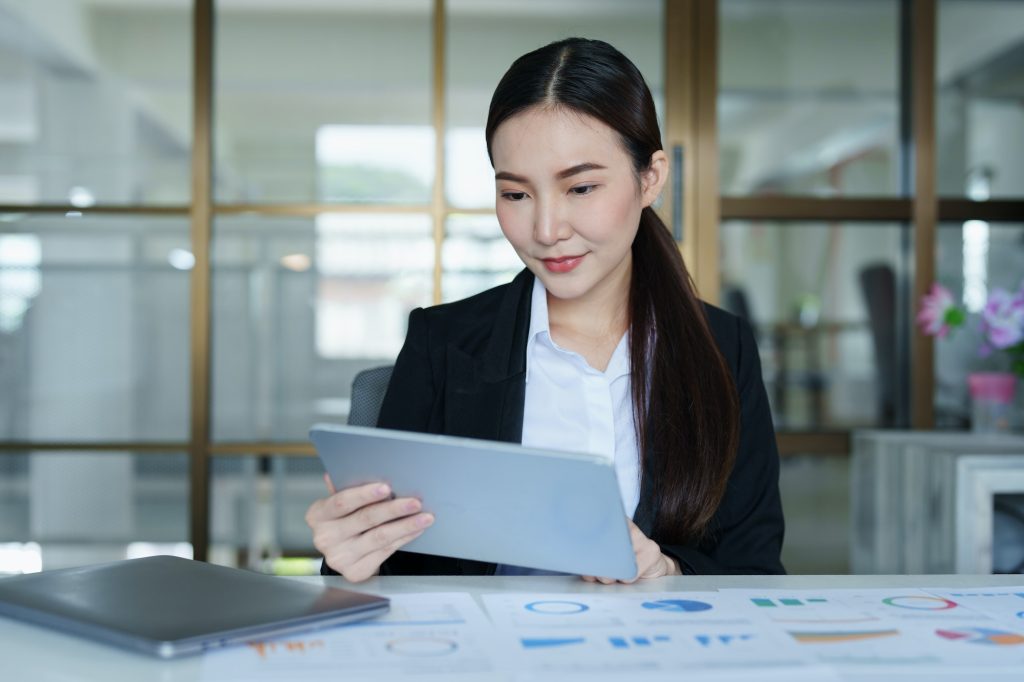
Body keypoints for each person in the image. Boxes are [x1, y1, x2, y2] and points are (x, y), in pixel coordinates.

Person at [306, 37, 784, 583]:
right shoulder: (442, 342)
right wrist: (349, 556)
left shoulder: (723, 347)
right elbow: (393, 572)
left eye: (580, 187)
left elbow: (754, 567)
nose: (547, 231)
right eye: (516, 195)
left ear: (650, 178)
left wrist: (667, 570)